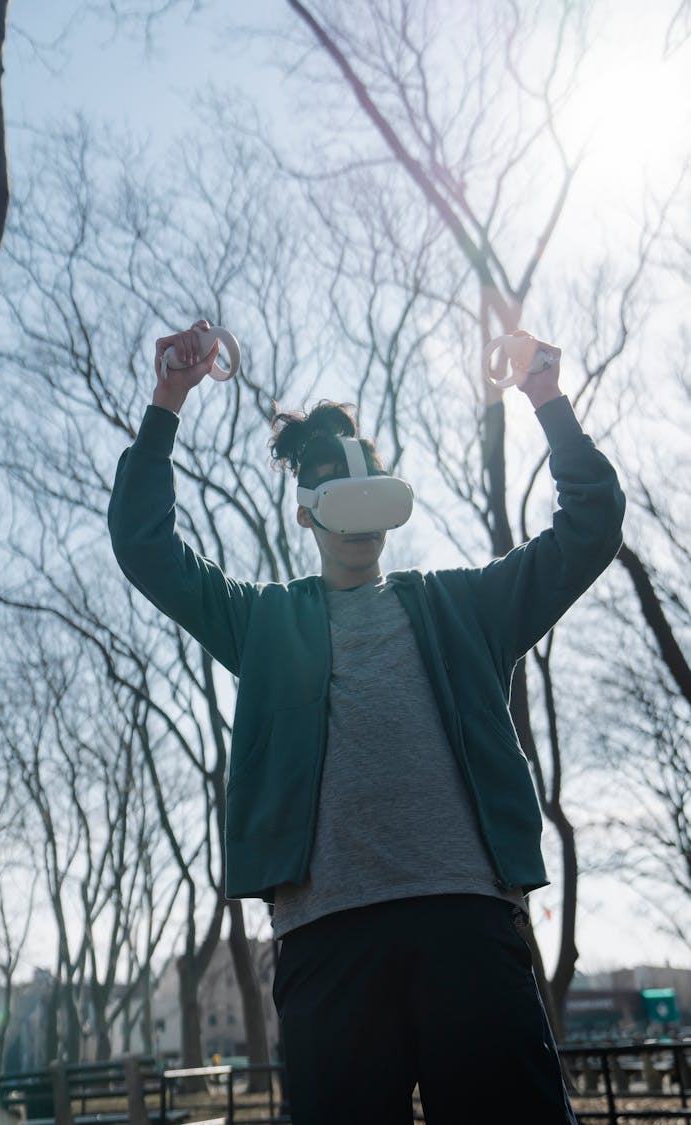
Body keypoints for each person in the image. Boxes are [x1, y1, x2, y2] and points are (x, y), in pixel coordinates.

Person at [108, 319, 626, 1125]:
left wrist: (547, 396)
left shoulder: (467, 605)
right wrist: (166, 401)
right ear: (308, 515)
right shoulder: (265, 621)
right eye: (336, 494)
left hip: (468, 922)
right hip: (326, 940)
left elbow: (589, 530)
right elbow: (145, 546)